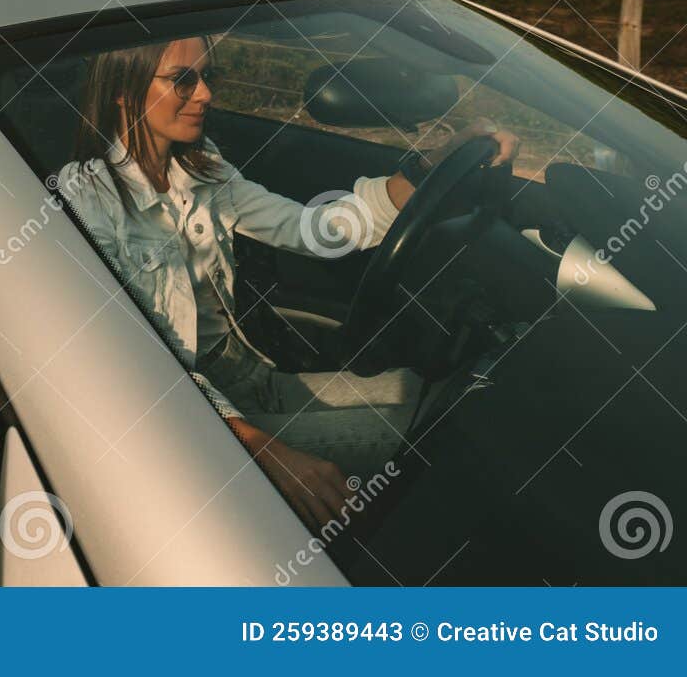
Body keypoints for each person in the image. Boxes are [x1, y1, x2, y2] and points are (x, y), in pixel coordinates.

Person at [54, 35, 518, 529]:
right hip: (195, 417)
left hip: (251, 375)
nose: (206, 94)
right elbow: (140, 370)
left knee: (430, 392)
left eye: (208, 76)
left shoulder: (200, 166)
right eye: (182, 80)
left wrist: (435, 161)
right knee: (431, 433)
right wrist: (260, 450)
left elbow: (313, 230)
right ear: (123, 91)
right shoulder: (87, 203)